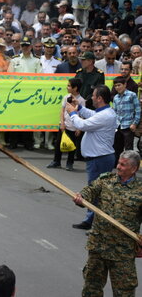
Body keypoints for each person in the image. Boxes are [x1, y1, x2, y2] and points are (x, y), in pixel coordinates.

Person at [72, 150, 142, 297]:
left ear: (134, 169)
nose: (118, 167)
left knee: (125, 291)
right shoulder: (106, 180)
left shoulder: (140, 190)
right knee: (91, 288)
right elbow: (90, 190)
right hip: (98, 246)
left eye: (123, 165)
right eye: (119, 163)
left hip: (122, 250)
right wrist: (81, 197)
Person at [65, 85, 117, 230]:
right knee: (95, 192)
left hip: (99, 159)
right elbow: (91, 115)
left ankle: (97, 225)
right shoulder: (103, 113)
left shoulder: (105, 115)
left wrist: (72, 113)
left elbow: (83, 124)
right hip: (98, 158)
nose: (92, 98)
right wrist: (79, 107)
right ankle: (90, 220)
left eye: (94, 96)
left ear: (99, 98)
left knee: (97, 193)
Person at [48, 78, 85, 171]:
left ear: (75, 88)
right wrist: (62, 123)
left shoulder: (81, 100)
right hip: (64, 126)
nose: (67, 87)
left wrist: (79, 128)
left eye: (69, 85)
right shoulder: (66, 97)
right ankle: (56, 161)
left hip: (74, 127)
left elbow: (83, 115)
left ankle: (69, 163)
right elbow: (62, 111)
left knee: (72, 146)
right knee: (58, 144)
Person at [112, 76, 140, 163]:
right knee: (117, 147)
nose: (117, 87)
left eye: (119, 85)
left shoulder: (132, 95)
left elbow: (138, 110)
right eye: (115, 86)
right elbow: (115, 112)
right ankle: (117, 164)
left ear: (125, 85)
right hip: (118, 126)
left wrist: (135, 123)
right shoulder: (116, 97)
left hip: (128, 126)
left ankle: (129, 165)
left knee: (128, 149)